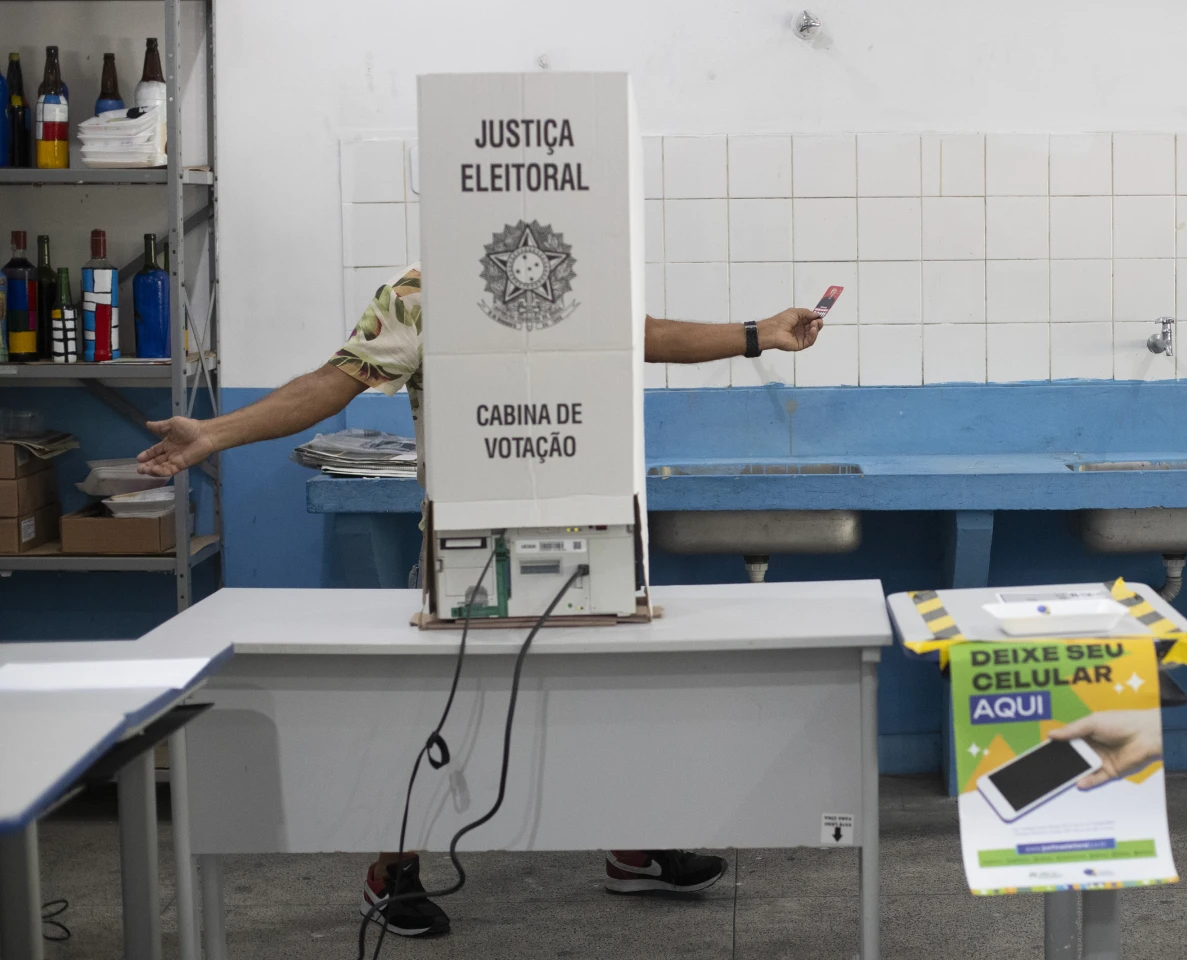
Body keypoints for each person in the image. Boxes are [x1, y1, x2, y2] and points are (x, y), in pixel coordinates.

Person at [136, 263, 824, 938]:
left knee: (612, 689)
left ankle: (634, 847)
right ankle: (391, 870)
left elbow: (643, 334)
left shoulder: (578, 270)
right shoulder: (420, 293)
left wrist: (759, 333)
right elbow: (330, 384)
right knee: (435, 707)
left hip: (584, 527)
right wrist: (215, 434)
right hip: (466, 540)